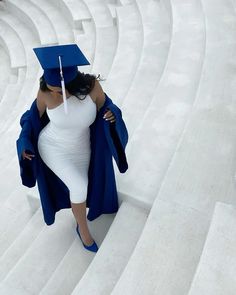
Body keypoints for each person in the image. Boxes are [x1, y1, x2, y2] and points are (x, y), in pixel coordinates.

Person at [16, 44, 128, 253]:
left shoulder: (92, 87)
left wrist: (112, 114)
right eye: (54, 90)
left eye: (61, 89)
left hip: (81, 148)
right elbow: (30, 121)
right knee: (78, 186)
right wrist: (24, 143)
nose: (58, 94)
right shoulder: (45, 94)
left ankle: (83, 220)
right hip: (53, 146)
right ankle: (82, 229)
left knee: (83, 185)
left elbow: (107, 105)